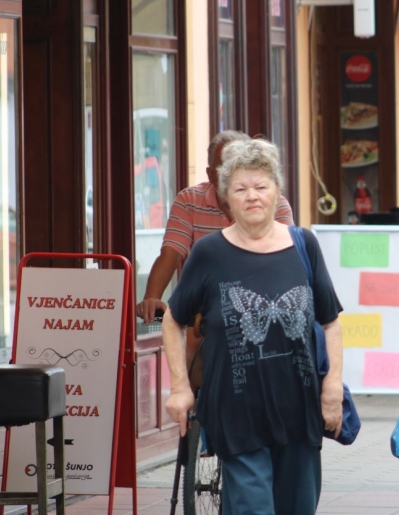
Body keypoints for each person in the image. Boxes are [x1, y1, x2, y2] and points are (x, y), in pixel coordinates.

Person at [162, 138, 343, 515]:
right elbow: (174, 318)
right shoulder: (210, 252)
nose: (252, 196)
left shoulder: (303, 245)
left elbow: (330, 321)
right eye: (240, 188)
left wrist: (332, 388)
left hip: (299, 409)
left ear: (277, 191)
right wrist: (179, 387)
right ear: (226, 197)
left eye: (261, 186)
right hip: (235, 410)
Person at [136, 130, 294, 325]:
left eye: (239, 168)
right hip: (204, 319)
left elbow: (286, 263)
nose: (233, 177)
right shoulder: (190, 201)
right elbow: (171, 254)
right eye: (225, 171)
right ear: (211, 175)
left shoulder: (274, 204)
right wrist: (152, 297)